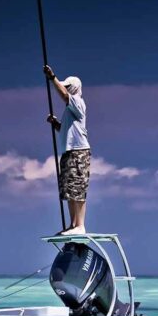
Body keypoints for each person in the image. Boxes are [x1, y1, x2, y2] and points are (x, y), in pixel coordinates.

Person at [44, 65, 90, 235]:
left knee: (77, 189)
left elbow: (64, 95)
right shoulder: (70, 110)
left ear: (75, 88)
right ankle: (73, 225)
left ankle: (80, 226)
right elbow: (67, 130)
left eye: (68, 87)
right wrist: (56, 123)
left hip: (79, 152)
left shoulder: (77, 101)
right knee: (69, 190)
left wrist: (52, 78)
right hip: (68, 152)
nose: (66, 90)